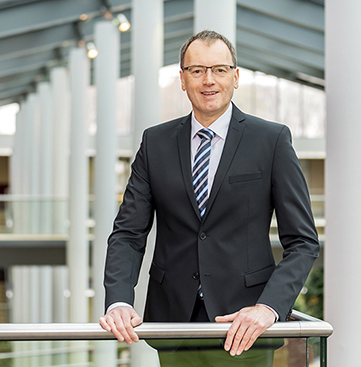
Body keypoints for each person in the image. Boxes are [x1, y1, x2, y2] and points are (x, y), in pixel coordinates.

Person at [99, 30, 319, 365]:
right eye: (197, 70)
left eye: (219, 69)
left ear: (236, 76)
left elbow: (303, 241)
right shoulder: (155, 143)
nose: (209, 80)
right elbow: (128, 234)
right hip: (173, 326)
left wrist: (269, 308)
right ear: (183, 80)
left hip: (246, 328)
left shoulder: (271, 141)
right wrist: (118, 301)